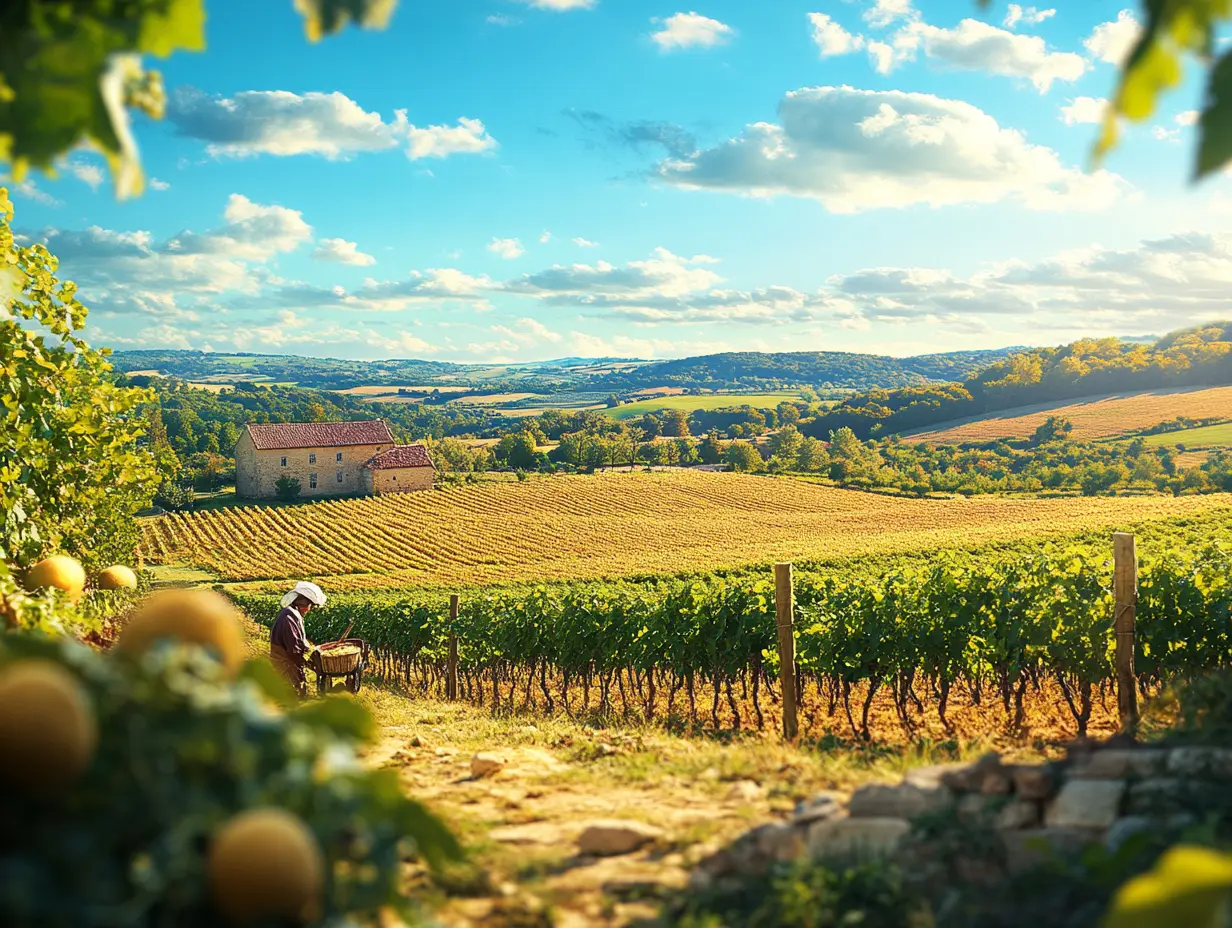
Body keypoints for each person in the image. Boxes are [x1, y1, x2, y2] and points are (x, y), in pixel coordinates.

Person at [270, 581, 326, 698]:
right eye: (310, 606)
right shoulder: (288, 618)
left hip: (288, 665)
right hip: (285, 667)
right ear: (305, 605)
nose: (309, 609)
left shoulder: (292, 614)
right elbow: (294, 649)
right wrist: (307, 664)